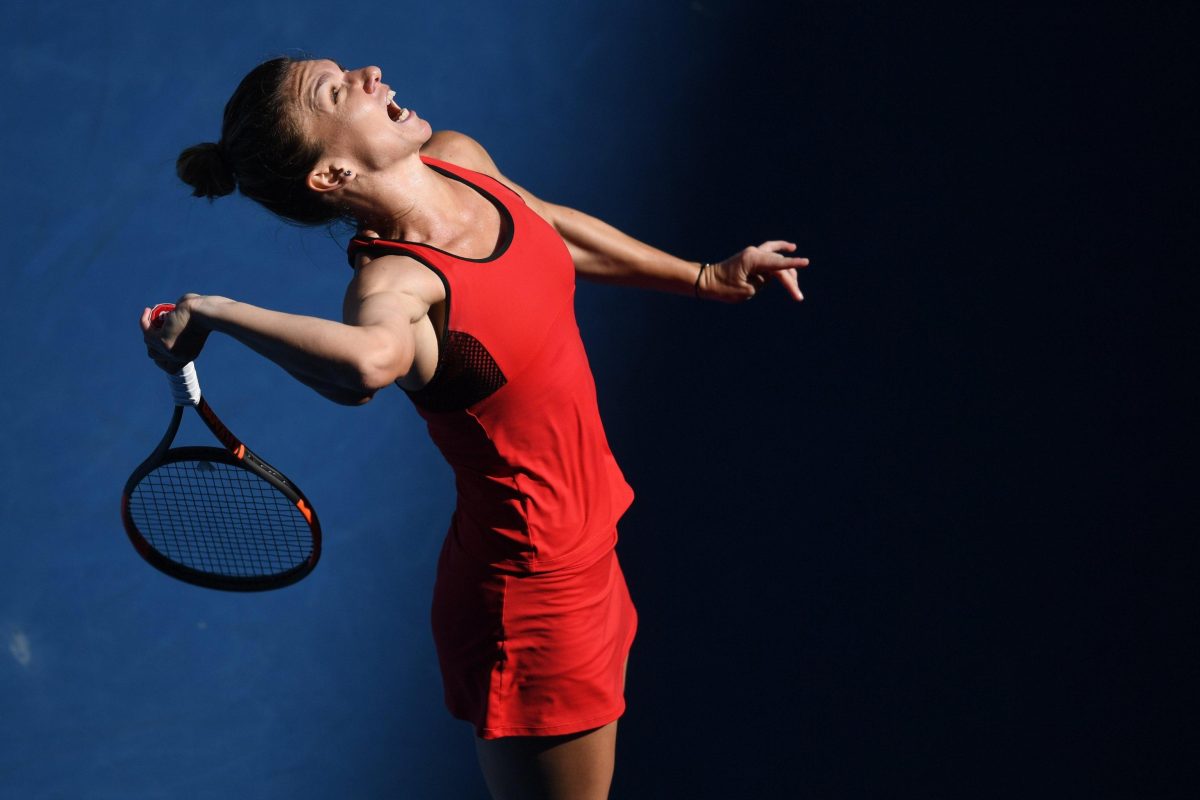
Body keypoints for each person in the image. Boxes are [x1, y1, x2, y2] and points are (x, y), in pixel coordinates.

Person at [146, 56, 808, 800]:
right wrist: (215, 312)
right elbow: (366, 365)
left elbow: (548, 226)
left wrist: (700, 276)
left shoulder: (459, 161)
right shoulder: (397, 285)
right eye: (337, 91)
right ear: (330, 177)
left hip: (589, 541)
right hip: (532, 595)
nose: (370, 72)